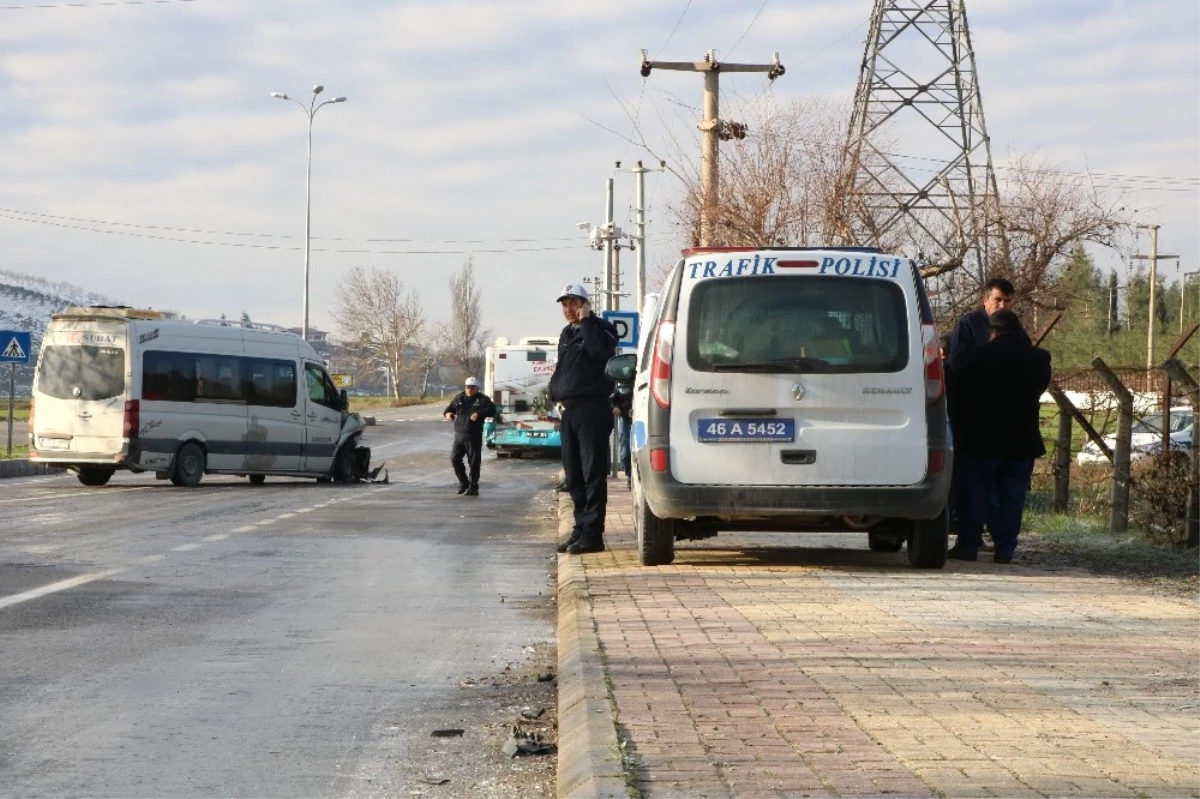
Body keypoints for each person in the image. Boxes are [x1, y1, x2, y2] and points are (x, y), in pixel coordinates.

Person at [947, 309, 1051, 563]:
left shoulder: (979, 356)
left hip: (983, 440)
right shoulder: (1039, 358)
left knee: (977, 492)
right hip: (1022, 440)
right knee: (1012, 495)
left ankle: (969, 545)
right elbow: (1038, 390)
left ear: (993, 332)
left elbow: (963, 396)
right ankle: (1005, 549)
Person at [548, 282, 619, 555]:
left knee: (592, 474)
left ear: (586, 304)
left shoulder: (601, 329)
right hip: (569, 412)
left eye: (574, 303)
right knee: (574, 475)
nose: (569, 309)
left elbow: (598, 352)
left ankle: (592, 535)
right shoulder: (566, 333)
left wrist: (587, 321)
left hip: (592, 410)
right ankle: (579, 529)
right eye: (565, 305)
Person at [443, 376, 497, 497]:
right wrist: (448, 414)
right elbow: (449, 408)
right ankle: (463, 483)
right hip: (459, 435)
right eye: (467, 388)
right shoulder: (459, 398)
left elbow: (492, 410)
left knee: (474, 462)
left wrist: (479, 413)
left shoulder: (482, 399)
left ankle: (473, 487)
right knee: (454, 458)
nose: (469, 390)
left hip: (474, 436)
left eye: (472, 388)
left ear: (476, 388)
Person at [611, 381, 632, 488]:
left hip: (642, 416)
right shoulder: (624, 382)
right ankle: (629, 475)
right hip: (625, 418)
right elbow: (612, 398)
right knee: (626, 448)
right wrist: (615, 407)